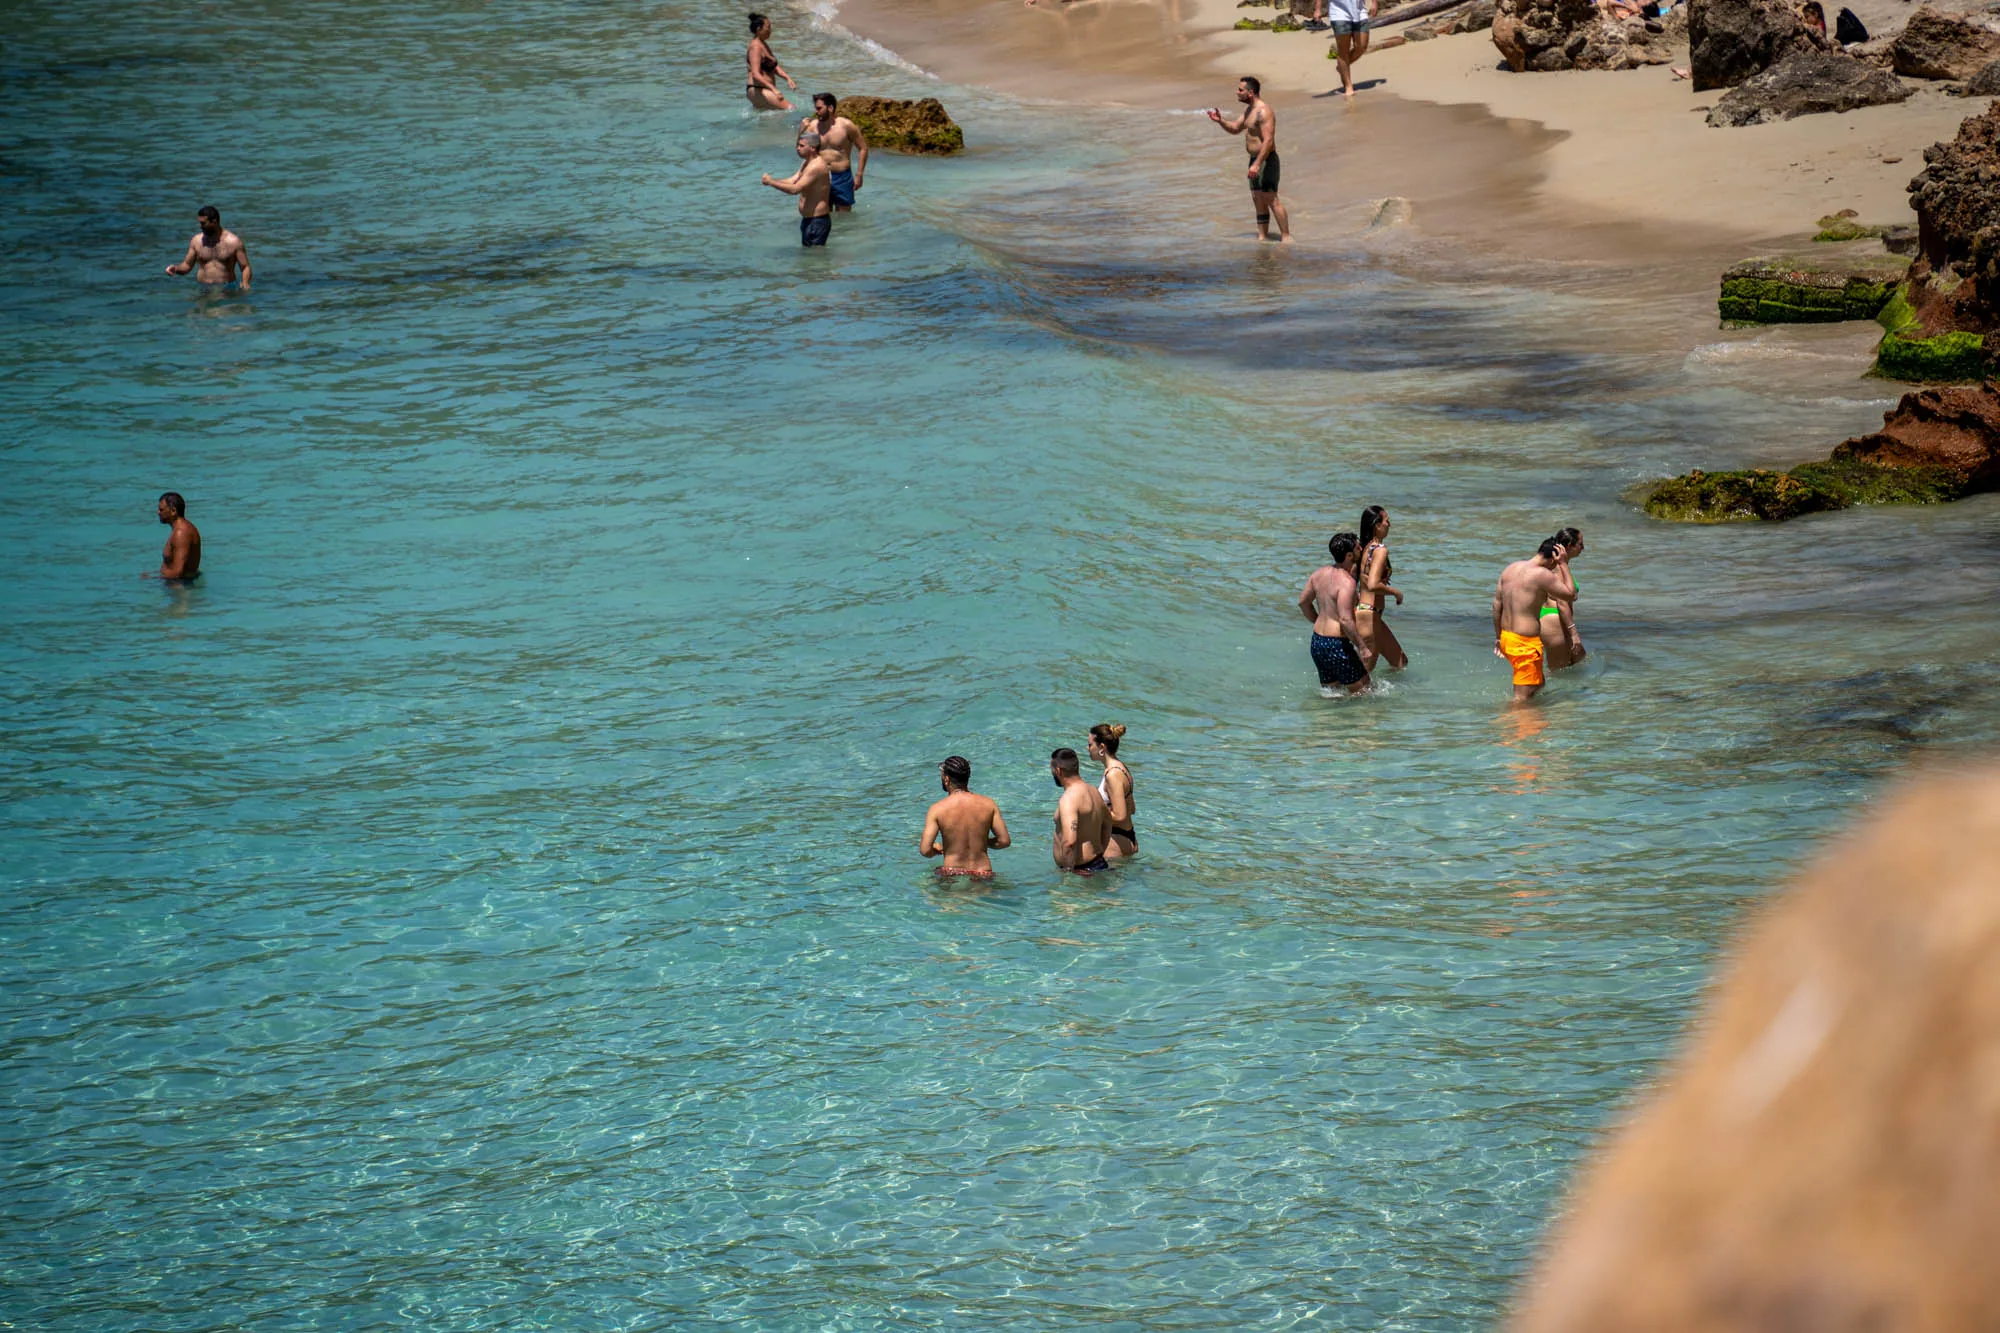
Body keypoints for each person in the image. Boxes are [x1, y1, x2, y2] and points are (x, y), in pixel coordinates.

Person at [1492, 536, 1577, 704]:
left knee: (1538, 685)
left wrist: (1498, 637)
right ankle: (1513, 725)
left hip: (1508, 638)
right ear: (1554, 558)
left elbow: (1496, 606)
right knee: (1521, 700)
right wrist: (1564, 564)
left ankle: (1528, 723)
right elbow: (1571, 594)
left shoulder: (1511, 568)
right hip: (1524, 644)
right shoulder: (1541, 574)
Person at [1206, 77, 1290, 243]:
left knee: (1271, 199)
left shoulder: (1263, 111)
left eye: (1240, 90)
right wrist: (1220, 121)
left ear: (1251, 92)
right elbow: (1235, 129)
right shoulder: (1249, 111)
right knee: (1258, 199)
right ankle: (1262, 237)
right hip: (1254, 160)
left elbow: (1268, 140)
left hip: (1266, 160)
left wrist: (1258, 164)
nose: (1237, 93)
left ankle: (1286, 238)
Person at [1297, 531, 1374, 696]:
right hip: (1337, 645)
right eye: (1357, 547)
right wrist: (1362, 647)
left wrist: (1318, 620)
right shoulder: (1347, 582)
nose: (1361, 548)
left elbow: (1303, 603)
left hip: (1317, 643)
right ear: (1349, 555)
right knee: (1365, 692)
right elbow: (1345, 619)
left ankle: (1329, 722)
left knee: (1333, 695)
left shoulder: (1319, 574)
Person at [921, 755, 1012, 878]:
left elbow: (925, 850)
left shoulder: (937, 809)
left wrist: (937, 850)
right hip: (983, 874)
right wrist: (984, 842)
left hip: (952, 874)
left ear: (946, 779)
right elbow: (1004, 841)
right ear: (967, 778)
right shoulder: (988, 804)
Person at [1354, 504, 1408, 671]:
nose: (1389, 525)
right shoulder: (1380, 550)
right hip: (1369, 616)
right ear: (1377, 525)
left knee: (1400, 662)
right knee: (1361, 683)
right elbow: (1372, 584)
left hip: (1367, 613)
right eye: (1387, 521)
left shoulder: (1365, 548)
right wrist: (1396, 593)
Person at [762, 133, 834, 246]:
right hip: (808, 220)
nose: (797, 148)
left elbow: (795, 189)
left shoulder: (816, 166)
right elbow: (793, 180)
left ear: (813, 148)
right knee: (809, 260)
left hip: (817, 221)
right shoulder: (807, 162)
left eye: (801, 146)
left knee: (815, 260)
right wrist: (772, 180)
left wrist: (771, 182)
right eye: (797, 145)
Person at [1050, 748, 1114, 874]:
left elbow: (1069, 842)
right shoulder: (1093, 791)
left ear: (1058, 771)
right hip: (1098, 863)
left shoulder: (1069, 799)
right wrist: (1099, 852)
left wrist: (1069, 873)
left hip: (1081, 871)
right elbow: (1108, 825)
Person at [801, 94, 868, 212]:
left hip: (842, 176)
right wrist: (801, 131)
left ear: (830, 108)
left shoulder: (846, 126)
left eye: (819, 108)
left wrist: (859, 175)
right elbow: (802, 152)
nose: (816, 112)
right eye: (815, 108)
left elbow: (863, 148)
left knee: (844, 216)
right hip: (820, 176)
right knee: (821, 213)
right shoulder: (813, 127)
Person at [164, 206, 250, 291]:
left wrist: (245, 283)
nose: (200, 226)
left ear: (214, 222)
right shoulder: (196, 241)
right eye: (200, 223)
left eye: (203, 223)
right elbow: (187, 265)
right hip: (203, 288)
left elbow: (245, 267)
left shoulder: (233, 242)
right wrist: (176, 269)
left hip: (226, 288)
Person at [1539, 526, 1587, 671]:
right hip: (1555, 620)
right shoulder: (1559, 569)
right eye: (1581, 544)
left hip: (1555, 619)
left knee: (1577, 660)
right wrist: (1574, 634)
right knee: (1559, 672)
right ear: (1570, 546)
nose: (1583, 548)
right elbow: (1562, 602)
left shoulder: (1556, 565)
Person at [1088, 724, 1137, 859]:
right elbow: (1131, 809)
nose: (1088, 748)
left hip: (1115, 841)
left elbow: (1120, 815)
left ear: (1102, 748)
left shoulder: (1113, 775)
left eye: (1090, 745)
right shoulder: (1122, 768)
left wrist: (1091, 815)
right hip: (1126, 837)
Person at [745, 13, 796, 111]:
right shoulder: (755, 47)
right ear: (759, 29)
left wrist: (787, 78)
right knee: (791, 109)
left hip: (763, 90)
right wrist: (774, 89)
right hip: (758, 90)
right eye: (768, 27)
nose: (770, 30)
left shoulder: (763, 44)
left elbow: (774, 66)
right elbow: (755, 74)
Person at [145, 492, 201, 580]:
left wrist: (152, 578)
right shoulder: (181, 530)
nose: (158, 512)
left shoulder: (181, 533)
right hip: (178, 584)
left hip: (181, 588)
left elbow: (177, 572)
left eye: (161, 510)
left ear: (173, 511)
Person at [1328, 0, 1379, 97]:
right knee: (1344, 50)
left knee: (1362, 47)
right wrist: (1317, 9)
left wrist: (1374, 2)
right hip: (1339, 12)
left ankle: (1341, 68)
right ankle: (1348, 86)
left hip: (1360, 11)